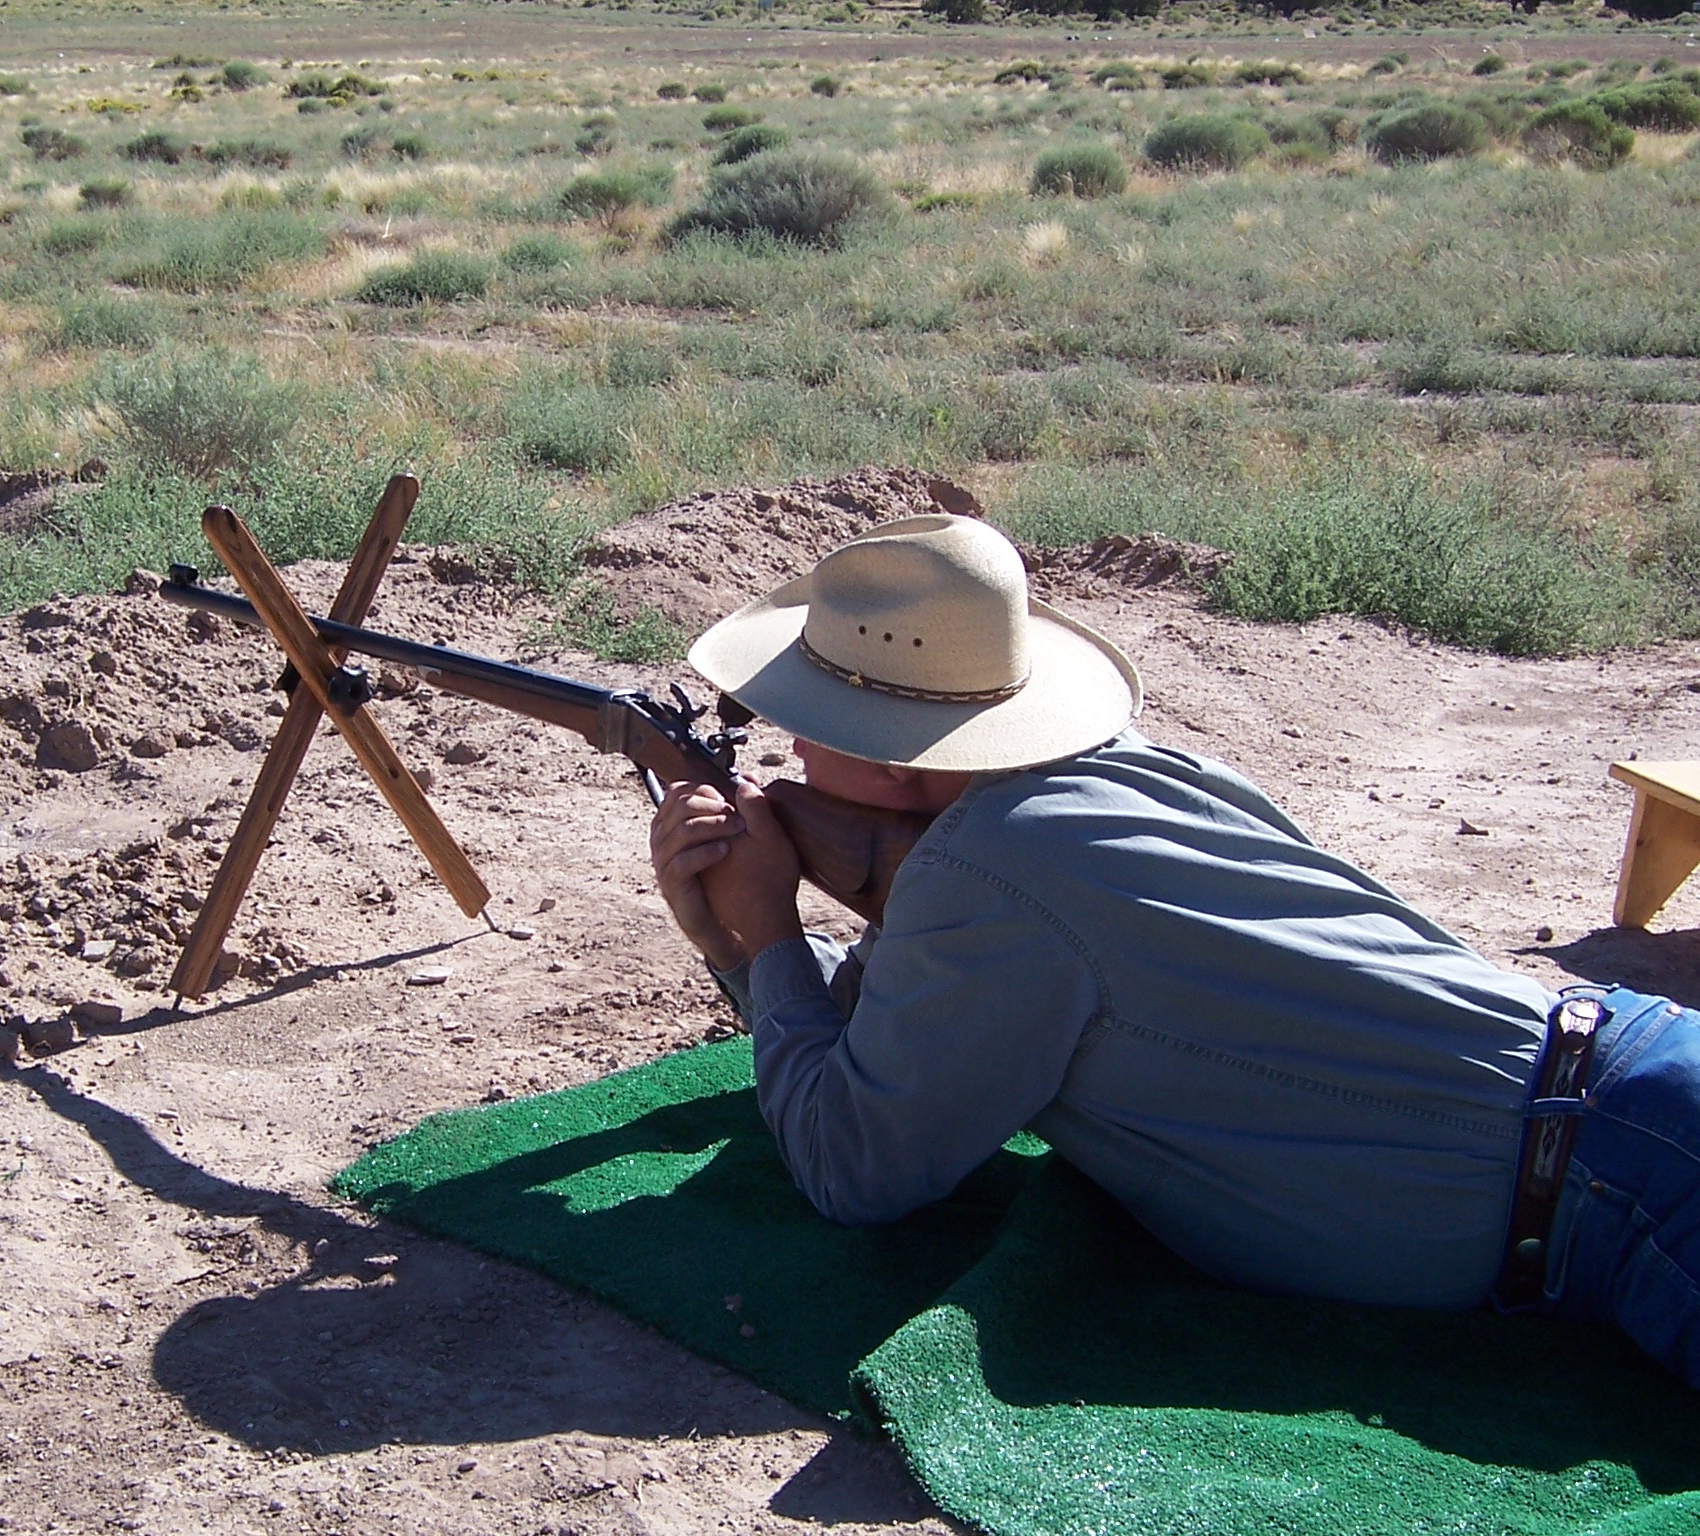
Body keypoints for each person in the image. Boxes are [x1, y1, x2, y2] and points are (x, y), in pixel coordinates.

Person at [647, 512, 1700, 1388]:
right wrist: (729, 940)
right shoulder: (1132, 774)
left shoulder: (987, 870)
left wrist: (773, 930)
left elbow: (849, 1168)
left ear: (888, 765)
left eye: (809, 722)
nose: (790, 746)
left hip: (1631, 1189)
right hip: (1630, 1105)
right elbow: (897, 1034)